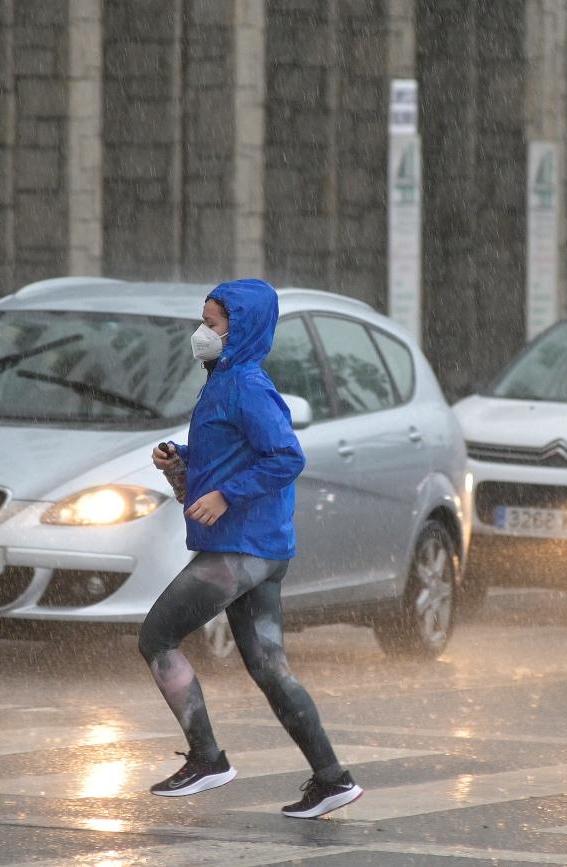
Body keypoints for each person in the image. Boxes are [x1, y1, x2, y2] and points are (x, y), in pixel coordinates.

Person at [141, 277, 363, 818]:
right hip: (257, 548)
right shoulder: (225, 382)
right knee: (268, 666)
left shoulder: (245, 384)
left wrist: (221, 493)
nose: (202, 333)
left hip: (243, 549)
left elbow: (286, 457)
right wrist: (185, 458)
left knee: (157, 636)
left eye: (212, 324)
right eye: (203, 322)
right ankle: (332, 780)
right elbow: (234, 449)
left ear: (239, 330)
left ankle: (207, 757)